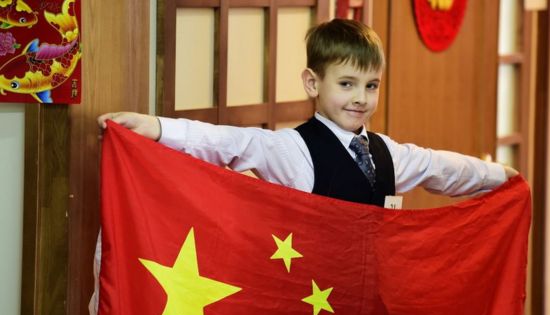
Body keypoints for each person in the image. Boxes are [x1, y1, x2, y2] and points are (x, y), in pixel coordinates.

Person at [97, 18, 517, 207]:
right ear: (313, 83)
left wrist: (500, 177)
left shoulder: (387, 153)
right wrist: (155, 128)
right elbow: (231, 142)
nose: (360, 99)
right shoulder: (293, 150)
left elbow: (440, 168)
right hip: (312, 304)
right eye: (346, 84)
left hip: (374, 302)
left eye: (371, 86)